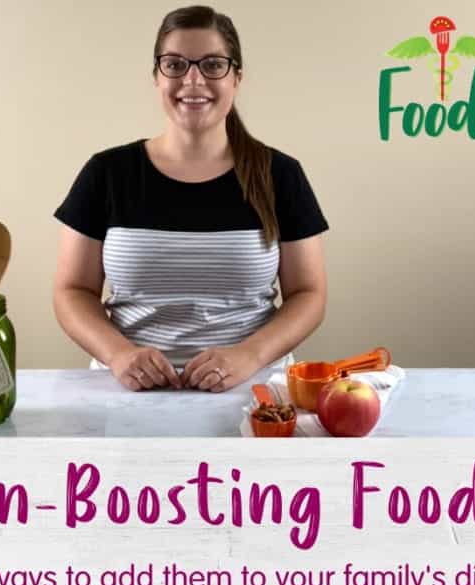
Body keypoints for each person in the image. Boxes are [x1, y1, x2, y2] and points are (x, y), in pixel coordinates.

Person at [53, 4, 328, 393]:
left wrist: (249, 355)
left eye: (213, 65)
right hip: (128, 395)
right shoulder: (106, 173)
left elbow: (309, 294)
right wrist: (119, 354)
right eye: (176, 64)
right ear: (156, 76)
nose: (194, 81)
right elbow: (72, 291)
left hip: (254, 394)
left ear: (236, 78)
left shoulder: (280, 175)